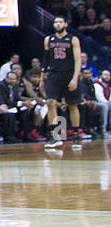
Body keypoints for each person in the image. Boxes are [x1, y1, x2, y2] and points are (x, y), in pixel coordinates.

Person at [42, 16, 82, 149]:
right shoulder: (48, 39)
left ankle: (76, 135)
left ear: (65, 24)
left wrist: (75, 78)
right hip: (54, 74)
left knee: (72, 105)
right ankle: (55, 136)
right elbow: (45, 60)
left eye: (60, 22)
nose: (57, 24)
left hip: (69, 73)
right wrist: (42, 79)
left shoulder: (73, 39)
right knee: (50, 103)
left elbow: (78, 61)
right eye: (55, 22)